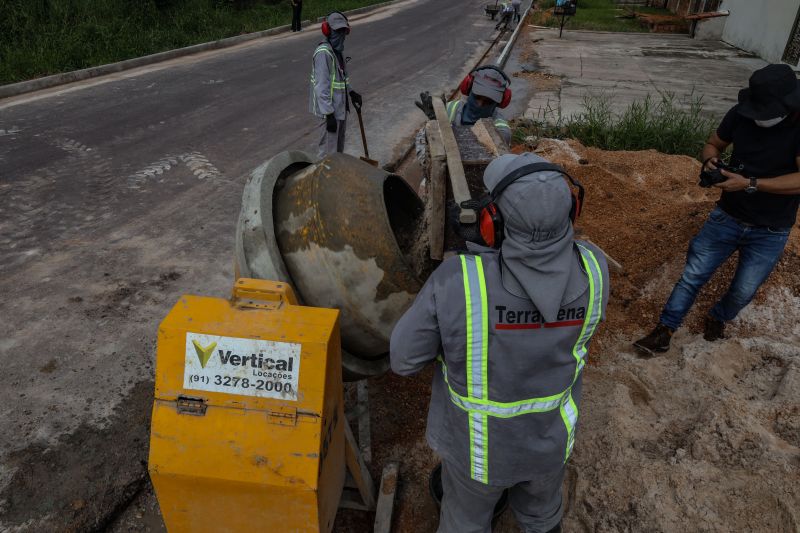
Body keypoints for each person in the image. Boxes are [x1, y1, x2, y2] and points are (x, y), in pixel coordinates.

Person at [390, 152, 610, 533]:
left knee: (465, 522)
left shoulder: (458, 280)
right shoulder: (595, 267)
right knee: (542, 516)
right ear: (572, 212)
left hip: (479, 453)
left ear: (491, 223)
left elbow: (404, 360)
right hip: (551, 442)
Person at [634, 63, 800, 355]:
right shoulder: (741, 114)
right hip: (727, 217)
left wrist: (750, 183)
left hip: (771, 229)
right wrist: (710, 160)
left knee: (742, 292)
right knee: (692, 276)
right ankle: (663, 331)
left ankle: (719, 316)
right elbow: (713, 144)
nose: (759, 118)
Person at [308, 11, 362, 159]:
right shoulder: (323, 53)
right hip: (329, 113)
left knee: (338, 153)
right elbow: (321, 87)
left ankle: (334, 180)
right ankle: (323, 181)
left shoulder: (338, 52)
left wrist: (351, 93)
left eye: (343, 31)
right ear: (327, 30)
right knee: (327, 155)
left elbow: (342, 78)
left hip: (339, 109)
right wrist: (329, 114)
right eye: (337, 31)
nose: (341, 35)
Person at [415, 65, 513, 145]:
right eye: (477, 97)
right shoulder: (448, 109)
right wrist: (435, 123)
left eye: (488, 102)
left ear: (499, 103)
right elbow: (425, 145)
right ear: (468, 90)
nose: (479, 104)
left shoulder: (501, 130)